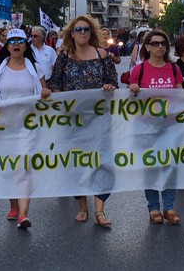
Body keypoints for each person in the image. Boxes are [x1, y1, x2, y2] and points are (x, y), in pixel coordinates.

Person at [0, 29, 51, 230]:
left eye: (20, 41)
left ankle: (24, 213)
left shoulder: (35, 68)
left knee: (24, 167)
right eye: (12, 41)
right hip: (4, 124)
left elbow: (45, 92)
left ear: (26, 45)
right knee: (10, 166)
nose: (16, 44)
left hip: (29, 125)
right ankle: (13, 205)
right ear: (7, 46)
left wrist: (45, 92)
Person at [48, 15, 117, 227]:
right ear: (72, 33)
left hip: (98, 120)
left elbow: (112, 82)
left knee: (101, 162)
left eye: (86, 29)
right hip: (73, 122)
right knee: (76, 163)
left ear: (92, 32)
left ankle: (99, 210)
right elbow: (55, 85)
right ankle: (82, 207)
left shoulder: (102, 54)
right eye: (78, 30)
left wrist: (108, 87)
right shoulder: (64, 56)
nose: (82, 33)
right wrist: (64, 104)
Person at [129, 30, 184, 225]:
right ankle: (153, 207)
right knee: (150, 166)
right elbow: (130, 100)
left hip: (169, 126)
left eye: (163, 44)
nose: (160, 47)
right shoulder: (139, 70)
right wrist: (133, 90)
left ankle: (169, 206)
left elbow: (178, 95)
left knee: (170, 165)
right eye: (156, 43)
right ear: (147, 47)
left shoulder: (174, 69)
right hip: (146, 126)